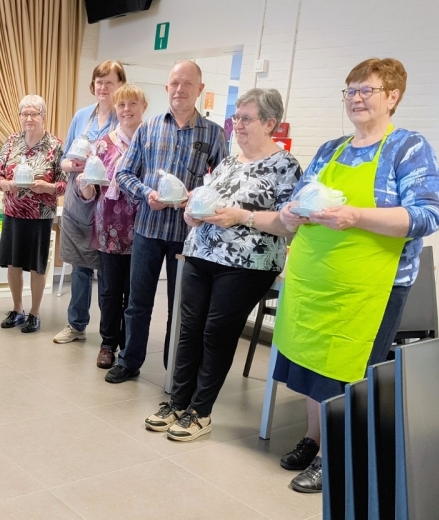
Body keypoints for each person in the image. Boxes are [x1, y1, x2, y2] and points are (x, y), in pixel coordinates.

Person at [273, 58, 439, 493]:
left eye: (367, 90)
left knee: (346, 369)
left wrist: (355, 216)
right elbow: (300, 198)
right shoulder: (331, 149)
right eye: (350, 90)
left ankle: (334, 456)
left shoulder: (408, 147)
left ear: (393, 96)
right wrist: (292, 211)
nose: (357, 98)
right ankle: (314, 438)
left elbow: (428, 215)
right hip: (317, 278)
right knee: (310, 361)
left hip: (372, 285)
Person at [145, 89, 301, 441]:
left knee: (216, 332)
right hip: (201, 252)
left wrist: (241, 216)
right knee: (189, 329)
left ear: (270, 123)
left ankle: (200, 411)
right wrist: (192, 213)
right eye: (236, 117)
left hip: (248, 262)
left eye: (246, 118)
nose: (238, 125)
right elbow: (205, 202)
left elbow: (288, 223)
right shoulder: (229, 162)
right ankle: (178, 402)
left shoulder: (285, 166)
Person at [105, 59, 228, 383]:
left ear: (200, 89)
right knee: (137, 303)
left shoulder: (214, 134)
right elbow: (125, 173)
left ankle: (175, 368)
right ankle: (129, 361)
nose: (180, 89)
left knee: (182, 308)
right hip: (148, 229)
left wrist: (199, 196)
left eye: (188, 83)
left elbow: (224, 182)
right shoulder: (148, 128)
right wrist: (147, 193)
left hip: (188, 236)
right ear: (166, 88)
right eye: (175, 83)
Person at [53, 60, 126, 345]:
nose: (103, 87)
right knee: (79, 266)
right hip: (78, 201)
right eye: (99, 82)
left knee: (107, 270)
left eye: (109, 82)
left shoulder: (123, 119)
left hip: (108, 204)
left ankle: (109, 334)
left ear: (120, 85)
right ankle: (76, 325)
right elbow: (63, 160)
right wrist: (74, 166)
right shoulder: (82, 116)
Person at [76, 84, 147, 368]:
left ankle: (129, 346)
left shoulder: (151, 141)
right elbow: (90, 192)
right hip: (109, 227)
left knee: (135, 293)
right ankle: (107, 344)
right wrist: (84, 185)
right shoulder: (103, 144)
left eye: (132, 103)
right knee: (109, 291)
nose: (127, 109)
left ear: (144, 107)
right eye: (121, 105)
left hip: (143, 228)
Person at [0, 95, 66, 333]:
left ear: (43, 117)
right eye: (25, 114)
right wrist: (5, 184)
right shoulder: (12, 141)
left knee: (37, 266)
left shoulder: (55, 145)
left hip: (40, 215)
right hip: (13, 211)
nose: (29, 118)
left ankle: (35, 313)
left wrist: (48, 187)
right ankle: (17, 309)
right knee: (13, 263)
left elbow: (65, 184)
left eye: (34, 114)